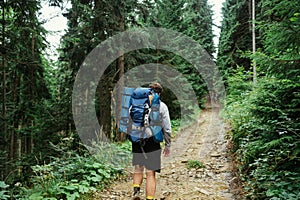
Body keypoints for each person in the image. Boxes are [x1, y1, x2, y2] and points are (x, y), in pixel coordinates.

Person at [131, 82, 172, 200]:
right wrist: (168, 144)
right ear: (159, 93)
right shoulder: (161, 105)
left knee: (138, 168)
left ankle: (136, 192)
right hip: (152, 141)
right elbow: (167, 127)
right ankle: (149, 198)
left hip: (137, 139)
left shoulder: (136, 103)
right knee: (150, 173)